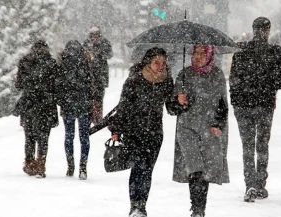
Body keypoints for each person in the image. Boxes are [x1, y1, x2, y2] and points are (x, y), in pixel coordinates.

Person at [109, 47, 177, 217]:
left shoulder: (167, 81)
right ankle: (135, 205)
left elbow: (171, 108)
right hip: (134, 131)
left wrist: (180, 102)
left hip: (155, 133)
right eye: (156, 62)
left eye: (163, 63)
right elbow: (123, 107)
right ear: (148, 62)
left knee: (147, 171)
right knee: (138, 168)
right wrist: (117, 130)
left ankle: (142, 205)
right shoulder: (135, 80)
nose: (161, 66)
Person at [229, 17, 281, 202]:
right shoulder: (274, 52)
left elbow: (234, 79)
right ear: (268, 30)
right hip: (265, 105)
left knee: (247, 146)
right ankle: (261, 184)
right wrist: (267, 83)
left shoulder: (241, 50)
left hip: (243, 105)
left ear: (253, 29)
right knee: (262, 145)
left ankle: (250, 184)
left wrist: (237, 100)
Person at [173, 45, 229, 217]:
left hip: (209, 128)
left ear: (210, 55)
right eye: (195, 52)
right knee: (194, 167)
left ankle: (200, 208)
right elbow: (172, 107)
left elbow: (222, 104)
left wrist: (218, 125)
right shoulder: (184, 74)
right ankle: (196, 208)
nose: (198, 56)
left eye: (202, 53)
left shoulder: (217, 75)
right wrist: (179, 101)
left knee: (206, 170)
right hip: (187, 128)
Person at [14, 39, 59, 178]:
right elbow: (56, 85)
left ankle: (29, 163)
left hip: (30, 104)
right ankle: (41, 164)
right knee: (43, 137)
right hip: (46, 105)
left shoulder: (25, 61)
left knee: (29, 137)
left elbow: (19, 84)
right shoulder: (51, 63)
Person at [56, 40, 93, 180]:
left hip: (68, 105)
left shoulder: (63, 63)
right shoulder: (85, 62)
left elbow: (58, 85)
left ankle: (70, 165)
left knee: (69, 136)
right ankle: (83, 166)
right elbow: (91, 84)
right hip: (83, 104)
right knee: (84, 137)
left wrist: (61, 101)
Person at [83, 26, 113, 124]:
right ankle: (90, 117)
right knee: (89, 97)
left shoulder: (105, 42)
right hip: (89, 74)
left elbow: (110, 54)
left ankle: (98, 118)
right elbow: (82, 55)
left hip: (101, 74)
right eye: (93, 34)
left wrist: (100, 53)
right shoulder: (86, 43)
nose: (94, 36)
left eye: (96, 34)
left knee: (99, 97)